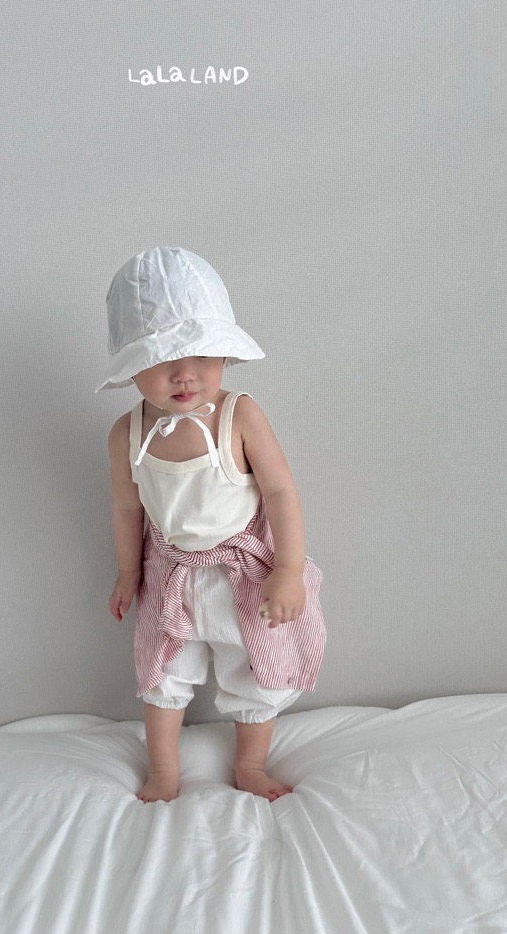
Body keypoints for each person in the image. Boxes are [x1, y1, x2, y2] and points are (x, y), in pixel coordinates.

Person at [96, 246, 326, 803]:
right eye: (162, 359)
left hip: (241, 575)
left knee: (253, 670)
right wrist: (128, 572)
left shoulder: (239, 414)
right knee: (163, 673)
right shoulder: (126, 433)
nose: (185, 373)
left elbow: (280, 493)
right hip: (170, 573)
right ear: (132, 367)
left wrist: (288, 570)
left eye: (201, 353)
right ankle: (163, 770)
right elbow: (127, 508)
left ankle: (251, 764)